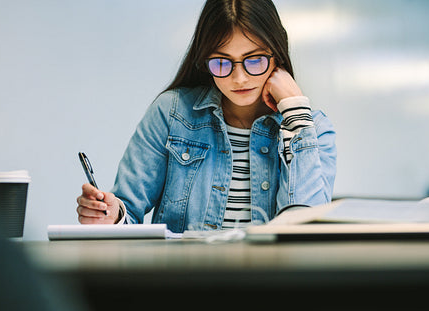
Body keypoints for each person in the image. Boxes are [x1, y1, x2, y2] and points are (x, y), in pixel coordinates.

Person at [76, 0, 337, 232]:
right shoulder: (172, 113)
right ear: (205, 60)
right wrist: (111, 215)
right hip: (184, 280)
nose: (240, 78)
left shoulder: (312, 127)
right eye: (222, 62)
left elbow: (304, 231)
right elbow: (128, 211)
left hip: (269, 283)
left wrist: (295, 111)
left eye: (254, 59)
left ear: (277, 53)